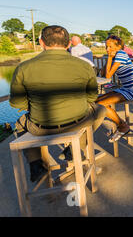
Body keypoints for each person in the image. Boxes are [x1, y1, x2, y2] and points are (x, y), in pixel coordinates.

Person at [9, 25, 106, 183]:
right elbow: (91, 97)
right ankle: (77, 148)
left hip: (42, 128)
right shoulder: (84, 66)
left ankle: (36, 164)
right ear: (68, 44)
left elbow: (16, 102)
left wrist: (34, 105)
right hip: (78, 123)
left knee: (20, 124)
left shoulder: (23, 68)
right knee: (101, 110)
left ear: (41, 42)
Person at [96, 35, 133, 142]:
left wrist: (109, 57)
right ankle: (120, 124)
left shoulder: (121, 54)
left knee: (100, 104)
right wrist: (110, 57)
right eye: (106, 47)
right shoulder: (115, 56)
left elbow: (108, 76)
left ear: (118, 46)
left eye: (110, 47)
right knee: (96, 101)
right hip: (125, 88)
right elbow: (103, 73)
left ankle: (122, 126)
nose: (107, 49)